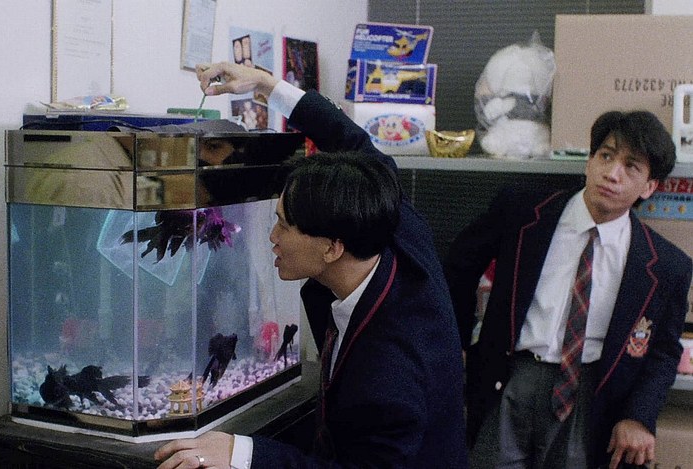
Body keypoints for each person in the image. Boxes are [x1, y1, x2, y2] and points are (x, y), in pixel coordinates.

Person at [154, 62, 468, 468]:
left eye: (284, 225)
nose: (272, 236)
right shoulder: (398, 229)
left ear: (332, 248)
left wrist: (242, 453)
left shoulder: (388, 372)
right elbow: (352, 143)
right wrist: (267, 85)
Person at [443, 110, 692, 468]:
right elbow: (458, 267)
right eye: (605, 155)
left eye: (631, 167)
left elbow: (664, 352)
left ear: (649, 187)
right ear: (589, 161)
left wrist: (639, 415)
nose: (612, 173)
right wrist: (455, 344)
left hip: (591, 390)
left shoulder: (666, 266)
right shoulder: (522, 214)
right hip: (511, 376)